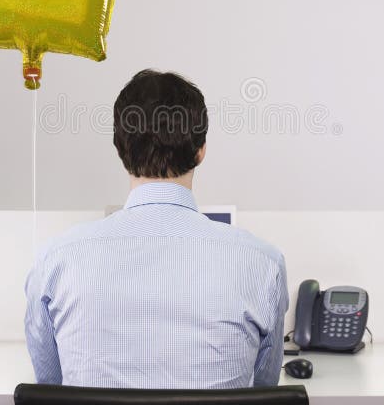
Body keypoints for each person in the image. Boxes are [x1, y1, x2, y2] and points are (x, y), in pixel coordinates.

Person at [24, 69, 288, 388]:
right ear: (201, 150)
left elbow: (49, 387)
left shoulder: (56, 261)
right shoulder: (263, 264)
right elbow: (264, 388)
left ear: (120, 150)